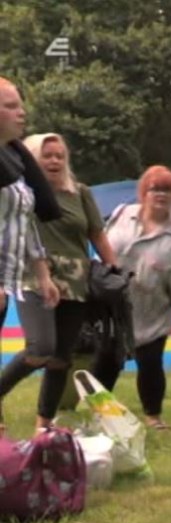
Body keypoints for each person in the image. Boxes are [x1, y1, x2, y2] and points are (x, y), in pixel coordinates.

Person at [0, 133, 117, 432]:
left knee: (60, 358)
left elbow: (97, 234)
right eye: (46, 155)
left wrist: (115, 269)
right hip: (34, 276)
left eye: (59, 155)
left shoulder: (80, 193)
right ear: (31, 160)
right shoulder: (21, 193)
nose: (54, 161)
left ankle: (44, 426)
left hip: (76, 281)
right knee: (40, 347)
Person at [91, 165, 171, 431]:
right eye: (155, 189)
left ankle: (153, 416)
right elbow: (101, 245)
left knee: (150, 364)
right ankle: (97, 415)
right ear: (144, 192)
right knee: (106, 362)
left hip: (153, 311)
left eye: (167, 190)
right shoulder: (122, 214)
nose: (160, 195)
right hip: (113, 307)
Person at [0, 78, 61, 436]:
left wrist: (42, 274)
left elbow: (25, 223)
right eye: (10, 106)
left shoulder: (15, 163)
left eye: (20, 104)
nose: (21, 112)